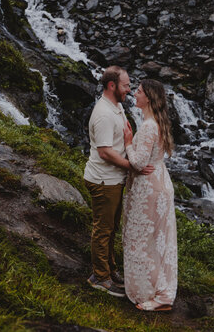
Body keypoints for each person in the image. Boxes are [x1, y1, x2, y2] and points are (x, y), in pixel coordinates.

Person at [84, 65, 152, 297]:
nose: (130, 90)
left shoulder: (115, 106)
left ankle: (109, 270)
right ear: (112, 85)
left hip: (113, 179)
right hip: (104, 180)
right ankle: (100, 277)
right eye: (126, 86)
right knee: (103, 230)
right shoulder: (103, 113)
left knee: (111, 228)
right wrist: (133, 167)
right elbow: (105, 152)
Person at [122, 79, 178, 312]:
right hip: (161, 184)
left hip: (148, 191)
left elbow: (138, 162)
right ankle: (161, 291)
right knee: (158, 243)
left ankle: (155, 295)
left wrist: (127, 143)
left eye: (139, 91)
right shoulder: (158, 122)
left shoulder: (147, 127)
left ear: (149, 98)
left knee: (144, 242)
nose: (135, 93)